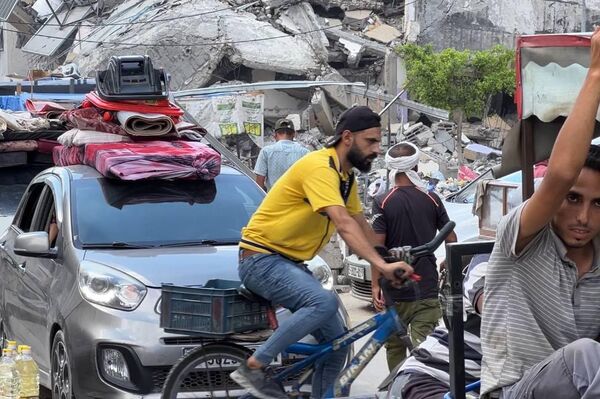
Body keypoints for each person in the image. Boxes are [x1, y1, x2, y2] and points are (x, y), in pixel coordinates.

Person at [231, 106, 414, 399]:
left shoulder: (346, 177)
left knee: (336, 344)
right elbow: (342, 223)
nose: (377, 150)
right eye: (371, 141)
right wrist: (380, 263)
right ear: (347, 138)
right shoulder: (320, 167)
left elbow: (359, 222)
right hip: (261, 259)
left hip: (288, 262)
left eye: (378, 142)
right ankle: (254, 366)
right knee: (324, 302)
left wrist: (387, 258)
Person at [480, 28, 600, 399]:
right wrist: (595, 72)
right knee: (584, 356)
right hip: (515, 390)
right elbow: (562, 173)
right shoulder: (524, 238)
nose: (583, 217)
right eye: (572, 199)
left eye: (598, 205)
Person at [371, 141, 457, 370]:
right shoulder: (432, 199)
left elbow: (377, 248)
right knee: (425, 354)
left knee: (396, 349)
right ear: (416, 167)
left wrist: (374, 286)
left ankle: (396, 392)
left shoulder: (382, 201)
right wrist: (447, 262)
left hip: (394, 288)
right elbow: (451, 238)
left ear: (392, 170)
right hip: (426, 288)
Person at [388, 254, 489, 399]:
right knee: (396, 345)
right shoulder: (485, 264)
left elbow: (450, 237)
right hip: (432, 379)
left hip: (425, 296)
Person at [254, 118, 309, 191]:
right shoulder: (305, 152)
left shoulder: (266, 151)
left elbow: (260, 180)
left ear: (275, 135)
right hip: (298, 200)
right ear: (294, 134)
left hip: (274, 199)